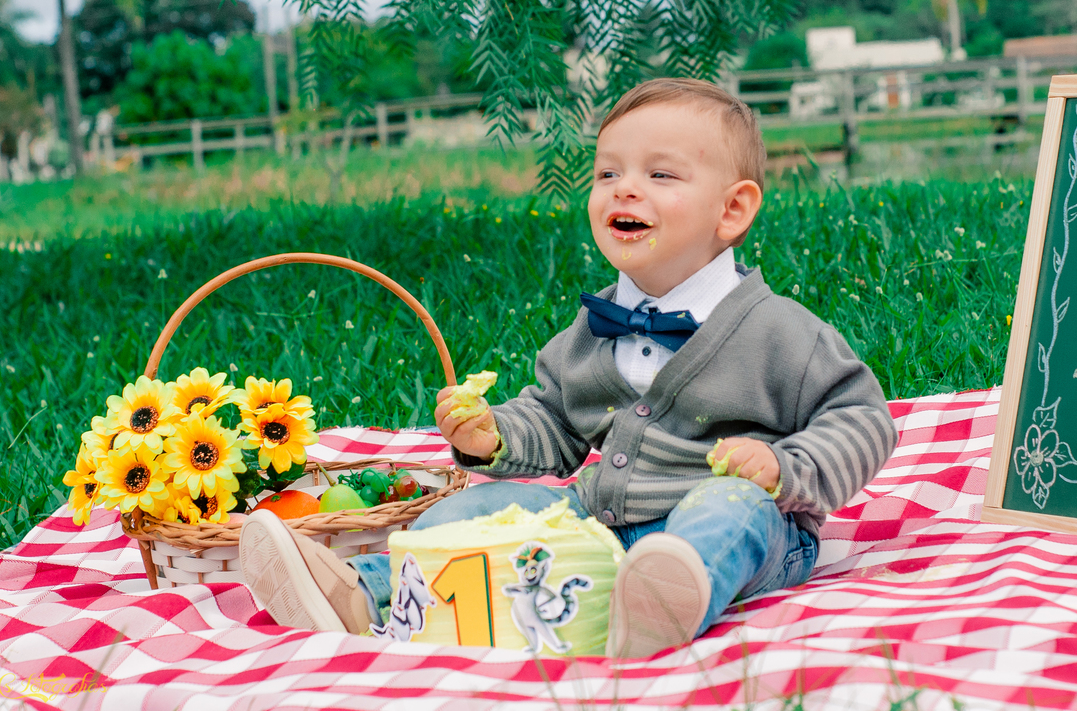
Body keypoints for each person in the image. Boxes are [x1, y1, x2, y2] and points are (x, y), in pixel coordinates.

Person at [239, 77, 898, 659]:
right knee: (478, 508)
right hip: (601, 524)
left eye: (660, 175)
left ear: (732, 210)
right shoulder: (593, 326)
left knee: (730, 506)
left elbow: (864, 416)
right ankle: (367, 593)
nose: (625, 187)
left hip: (753, 529)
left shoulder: (778, 330)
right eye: (608, 173)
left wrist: (789, 469)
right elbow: (553, 419)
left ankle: (665, 599)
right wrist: (493, 434)